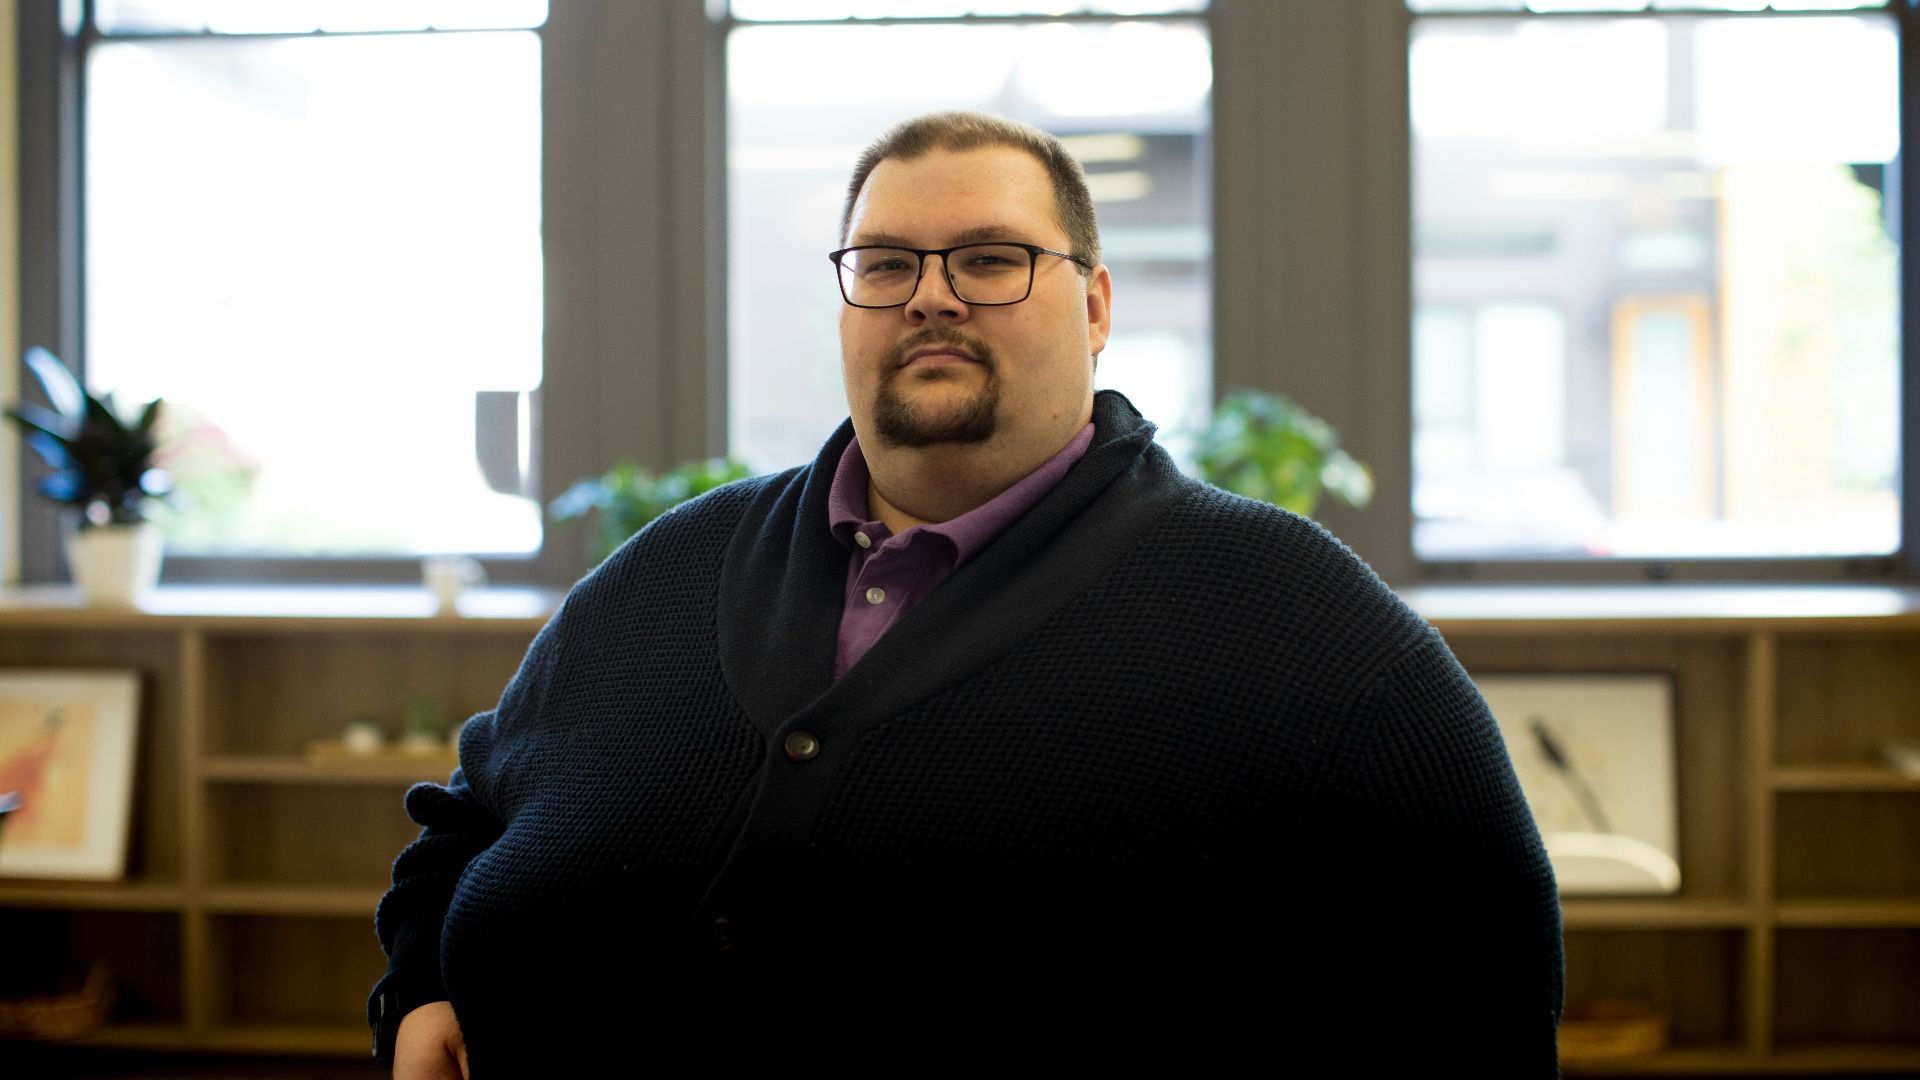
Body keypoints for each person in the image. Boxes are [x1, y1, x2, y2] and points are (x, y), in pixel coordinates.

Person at [371, 111, 1564, 1076]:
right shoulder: (670, 570)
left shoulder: (1295, 619)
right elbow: (474, 810)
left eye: (991, 259)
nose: (930, 296)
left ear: (1095, 307)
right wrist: (423, 984)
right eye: (885, 264)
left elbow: (1482, 991)